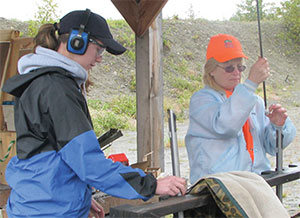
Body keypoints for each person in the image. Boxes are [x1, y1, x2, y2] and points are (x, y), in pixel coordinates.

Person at [2, 9, 186, 218]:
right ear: (76, 42)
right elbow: (87, 161)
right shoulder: (57, 89)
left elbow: (49, 153)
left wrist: (78, 194)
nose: (99, 59)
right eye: (99, 50)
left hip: (40, 204)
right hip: (50, 211)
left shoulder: (43, 82)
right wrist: (151, 185)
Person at [185, 33, 296, 184]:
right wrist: (251, 83)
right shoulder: (201, 100)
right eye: (229, 68)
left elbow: (273, 147)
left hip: (257, 181)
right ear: (211, 70)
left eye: (240, 67)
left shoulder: (254, 100)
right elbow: (225, 126)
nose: (237, 72)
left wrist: (278, 126)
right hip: (220, 187)